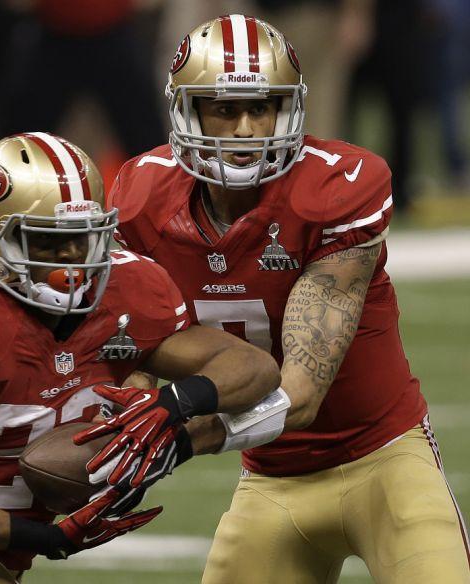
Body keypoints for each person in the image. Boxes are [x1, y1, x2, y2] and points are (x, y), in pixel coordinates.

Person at [84, 15, 470, 583]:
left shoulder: (338, 187)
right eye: (223, 107)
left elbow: (301, 395)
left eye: (262, 106)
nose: (245, 128)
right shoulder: (142, 195)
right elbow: (136, 347)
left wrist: (174, 435)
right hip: (272, 481)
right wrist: (124, 426)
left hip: (384, 461)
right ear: (186, 111)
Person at [0, 132, 280, 582]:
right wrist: (51, 540)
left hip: (2, 556)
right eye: (48, 242)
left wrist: (171, 404)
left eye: (84, 238)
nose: (73, 260)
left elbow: (254, 368)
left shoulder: (127, 293)